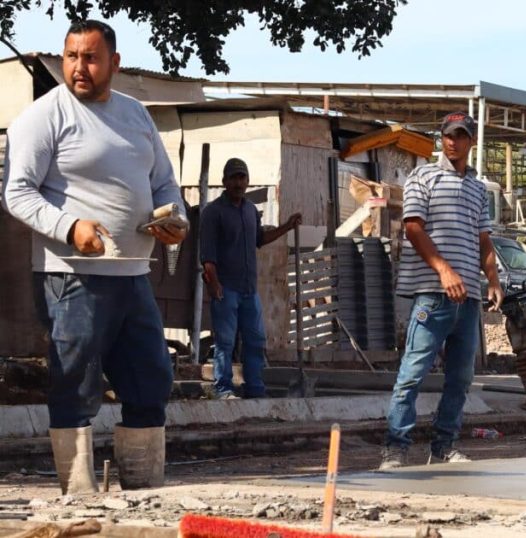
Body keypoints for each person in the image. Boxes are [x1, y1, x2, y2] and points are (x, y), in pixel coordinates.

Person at [1, 20, 188, 493]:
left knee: (151, 377)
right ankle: (79, 496)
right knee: (76, 383)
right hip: (72, 277)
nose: (78, 67)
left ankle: (143, 489)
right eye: (71, 57)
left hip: (132, 273)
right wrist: (69, 227)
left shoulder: (136, 115)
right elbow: (17, 193)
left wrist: (175, 218)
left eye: (90, 57)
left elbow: (163, 181)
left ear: (114, 63)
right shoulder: (44, 117)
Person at [380, 112, 503, 470]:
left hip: (469, 298)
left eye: (461, 135)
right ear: (442, 139)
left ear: (471, 141)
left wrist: (492, 279)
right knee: (413, 373)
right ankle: (395, 447)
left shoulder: (478, 189)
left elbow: (484, 240)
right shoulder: (424, 176)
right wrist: (444, 270)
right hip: (433, 292)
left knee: (461, 378)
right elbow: (414, 229)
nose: (454, 142)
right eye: (449, 135)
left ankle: (443, 446)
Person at [200, 158, 301, 399]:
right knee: (225, 342)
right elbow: (207, 256)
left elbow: (259, 240)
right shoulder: (213, 213)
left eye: (242, 178)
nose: (238, 183)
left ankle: (254, 388)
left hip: (248, 289)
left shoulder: (250, 210)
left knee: (255, 340)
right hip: (226, 288)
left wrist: (286, 227)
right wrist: (214, 284)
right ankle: (223, 388)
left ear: (247, 181)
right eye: (233, 178)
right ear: (224, 182)